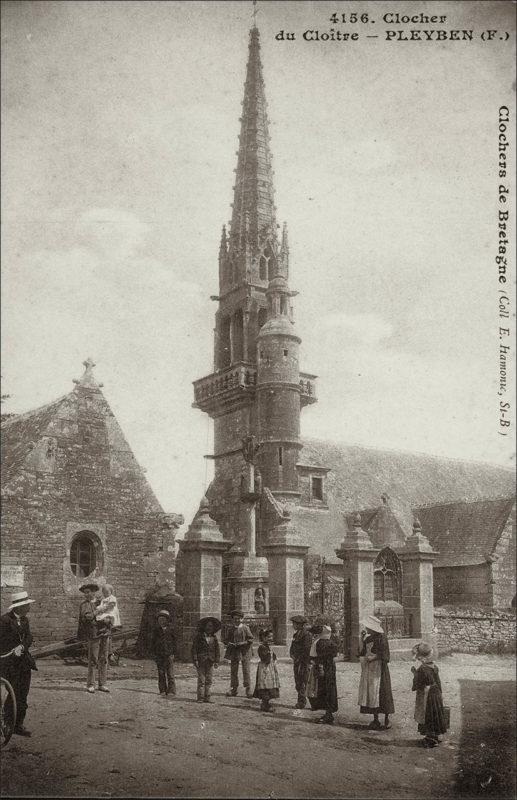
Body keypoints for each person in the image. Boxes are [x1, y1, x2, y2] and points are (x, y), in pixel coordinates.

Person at [0, 590, 37, 737]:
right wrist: (11, 649)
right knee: (13, 693)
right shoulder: (4, 621)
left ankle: (18, 724)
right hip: (9, 663)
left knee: (23, 694)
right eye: (27, 605)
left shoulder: (25, 620)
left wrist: (22, 647)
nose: (29, 607)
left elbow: (29, 636)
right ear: (18, 607)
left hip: (23, 663)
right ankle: (8, 723)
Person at [358, 615, 395, 730]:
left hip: (380, 669)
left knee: (382, 693)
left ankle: (387, 719)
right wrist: (361, 639)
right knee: (372, 694)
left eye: (368, 627)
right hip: (370, 669)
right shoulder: (368, 638)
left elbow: (386, 655)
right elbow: (362, 652)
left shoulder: (382, 638)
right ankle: (375, 719)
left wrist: (374, 657)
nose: (367, 629)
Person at [411, 641, 448, 747]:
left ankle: (430, 738)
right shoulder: (434, 666)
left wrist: (414, 674)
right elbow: (437, 681)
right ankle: (435, 735)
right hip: (435, 693)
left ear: (421, 657)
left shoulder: (422, 669)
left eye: (418, 657)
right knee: (435, 713)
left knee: (427, 714)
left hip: (427, 695)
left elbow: (419, 683)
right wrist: (440, 693)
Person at [77, 582, 111, 694]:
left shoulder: (102, 602)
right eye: (85, 593)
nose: (86, 595)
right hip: (93, 634)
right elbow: (86, 617)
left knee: (104, 658)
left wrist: (108, 620)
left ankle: (103, 684)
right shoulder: (84, 605)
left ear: (94, 592)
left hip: (104, 633)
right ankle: (91, 684)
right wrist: (96, 617)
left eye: (88, 592)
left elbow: (110, 613)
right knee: (93, 659)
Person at [306, 624, 338, 724]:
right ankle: (328, 713)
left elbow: (318, 656)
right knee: (328, 689)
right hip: (328, 667)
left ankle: (328, 714)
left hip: (323, 668)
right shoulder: (329, 642)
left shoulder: (321, 642)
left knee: (326, 690)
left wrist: (318, 665)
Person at [224, 610, 254, 697]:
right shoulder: (231, 629)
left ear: (242, 619)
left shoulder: (245, 628)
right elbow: (226, 639)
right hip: (234, 651)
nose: (237, 620)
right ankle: (234, 688)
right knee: (234, 671)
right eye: (235, 619)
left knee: (246, 670)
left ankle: (248, 689)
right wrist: (229, 643)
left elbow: (251, 639)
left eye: (239, 619)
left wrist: (242, 643)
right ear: (232, 619)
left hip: (245, 652)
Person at [191, 617, 221, 703]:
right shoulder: (199, 637)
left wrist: (216, 661)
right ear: (204, 627)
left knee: (209, 679)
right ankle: (200, 697)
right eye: (208, 626)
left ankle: (207, 697)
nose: (209, 628)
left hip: (210, 661)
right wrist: (195, 659)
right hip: (201, 661)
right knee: (201, 679)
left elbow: (217, 650)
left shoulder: (214, 638)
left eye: (211, 626)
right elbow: (194, 649)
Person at [150, 610, 177, 696]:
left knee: (170, 673)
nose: (161, 621)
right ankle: (162, 690)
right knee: (161, 673)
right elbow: (153, 643)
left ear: (167, 620)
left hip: (169, 654)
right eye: (159, 620)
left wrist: (173, 653)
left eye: (163, 619)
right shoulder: (156, 631)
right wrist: (154, 654)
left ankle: (171, 690)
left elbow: (175, 642)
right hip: (159, 655)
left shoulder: (171, 630)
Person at [253, 628, 280, 712]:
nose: (270, 639)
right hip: (265, 669)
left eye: (271, 637)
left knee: (270, 685)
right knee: (265, 685)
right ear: (263, 638)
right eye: (268, 637)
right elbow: (266, 659)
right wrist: (269, 653)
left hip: (270, 668)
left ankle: (266, 703)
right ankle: (265, 704)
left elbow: (273, 657)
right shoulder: (262, 647)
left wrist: (273, 657)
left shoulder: (268, 647)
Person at [289, 615, 312, 708]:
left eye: (294, 623)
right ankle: (302, 700)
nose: (293, 625)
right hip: (297, 661)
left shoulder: (307, 635)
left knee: (304, 681)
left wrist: (300, 658)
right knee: (298, 682)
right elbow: (293, 646)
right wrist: (292, 654)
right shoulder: (296, 634)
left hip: (303, 662)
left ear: (300, 625)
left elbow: (307, 649)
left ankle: (303, 702)